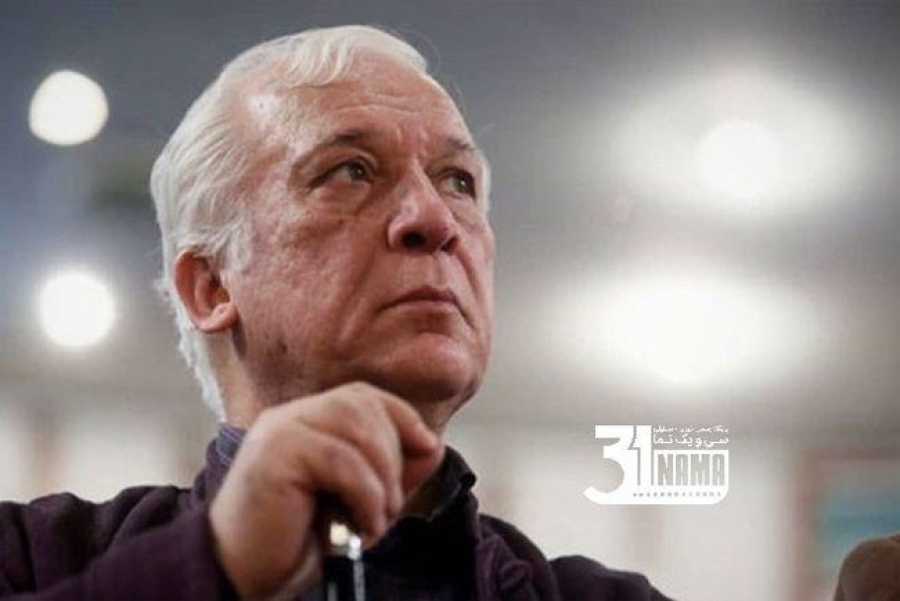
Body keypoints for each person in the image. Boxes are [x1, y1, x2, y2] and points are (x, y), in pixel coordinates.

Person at [0, 25, 672, 600]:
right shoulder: (32, 556)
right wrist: (211, 563)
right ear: (210, 286)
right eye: (351, 170)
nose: (435, 219)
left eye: (457, 181)